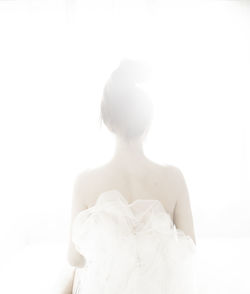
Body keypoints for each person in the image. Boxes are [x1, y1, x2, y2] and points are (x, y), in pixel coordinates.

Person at [66, 58, 197, 294]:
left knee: (70, 282)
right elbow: (188, 248)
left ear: (107, 122)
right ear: (148, 121)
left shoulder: (85, 183)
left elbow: (75, 258)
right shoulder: (173, 178)